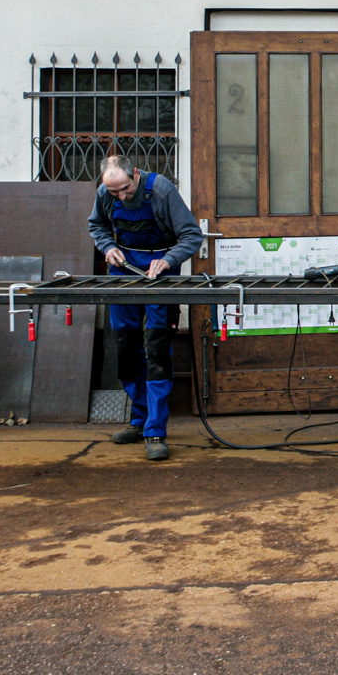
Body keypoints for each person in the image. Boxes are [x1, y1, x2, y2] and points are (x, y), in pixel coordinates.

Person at [87, 154, 204, 461]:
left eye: (124, 189)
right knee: (126, 347)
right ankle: (138, 421)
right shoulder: (105, 193)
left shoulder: (162, 190)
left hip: (159, 270)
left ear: (135, 174)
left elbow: (192, 235)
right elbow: (97, 225)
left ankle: (156, 430)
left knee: (157, 347)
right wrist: (108, 247)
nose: (120, 196)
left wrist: (169, 259)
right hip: (123, 269)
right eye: (114, 192)